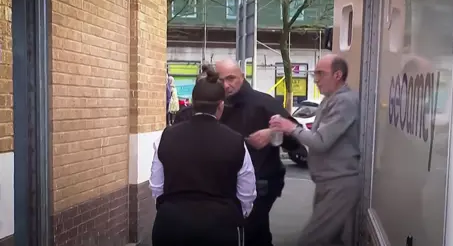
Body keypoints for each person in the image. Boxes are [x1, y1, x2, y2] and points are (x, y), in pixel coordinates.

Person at [149, 69, 257, 246]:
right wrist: (234, 215)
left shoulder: (166, 136)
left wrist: (168, 210)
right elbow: (247, 193)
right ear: (220, 105)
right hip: (219, 227)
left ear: (193, 103)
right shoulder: (236, 141)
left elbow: (156, 186)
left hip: (171, 225)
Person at [269, 54, 361, 246]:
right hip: (328, 182)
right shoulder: (331, 99)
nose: (316, 79)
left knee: (312, 240)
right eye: (315, 74)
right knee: (332, 240)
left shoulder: (344, 101)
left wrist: (291, 127)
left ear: (338, 75)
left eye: (320, 73)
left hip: (339, 183)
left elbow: (320, 141)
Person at [215, 59, 301, 246]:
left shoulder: (263, 103)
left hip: (261, 183)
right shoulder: (217, 105)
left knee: (254, 232)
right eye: (221, 80)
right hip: (228, 184)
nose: (226, 85)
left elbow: (297, 135)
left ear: (242, 77)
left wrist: (272, 134)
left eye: (231, 78)